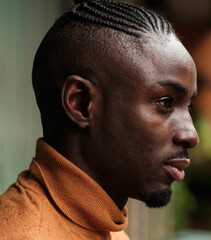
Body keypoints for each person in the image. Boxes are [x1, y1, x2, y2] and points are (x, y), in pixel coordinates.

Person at [0, 0, 199, 239]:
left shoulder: (112, 231)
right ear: (81, 103)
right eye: (165, 103)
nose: (191, 135)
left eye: (188, 106)